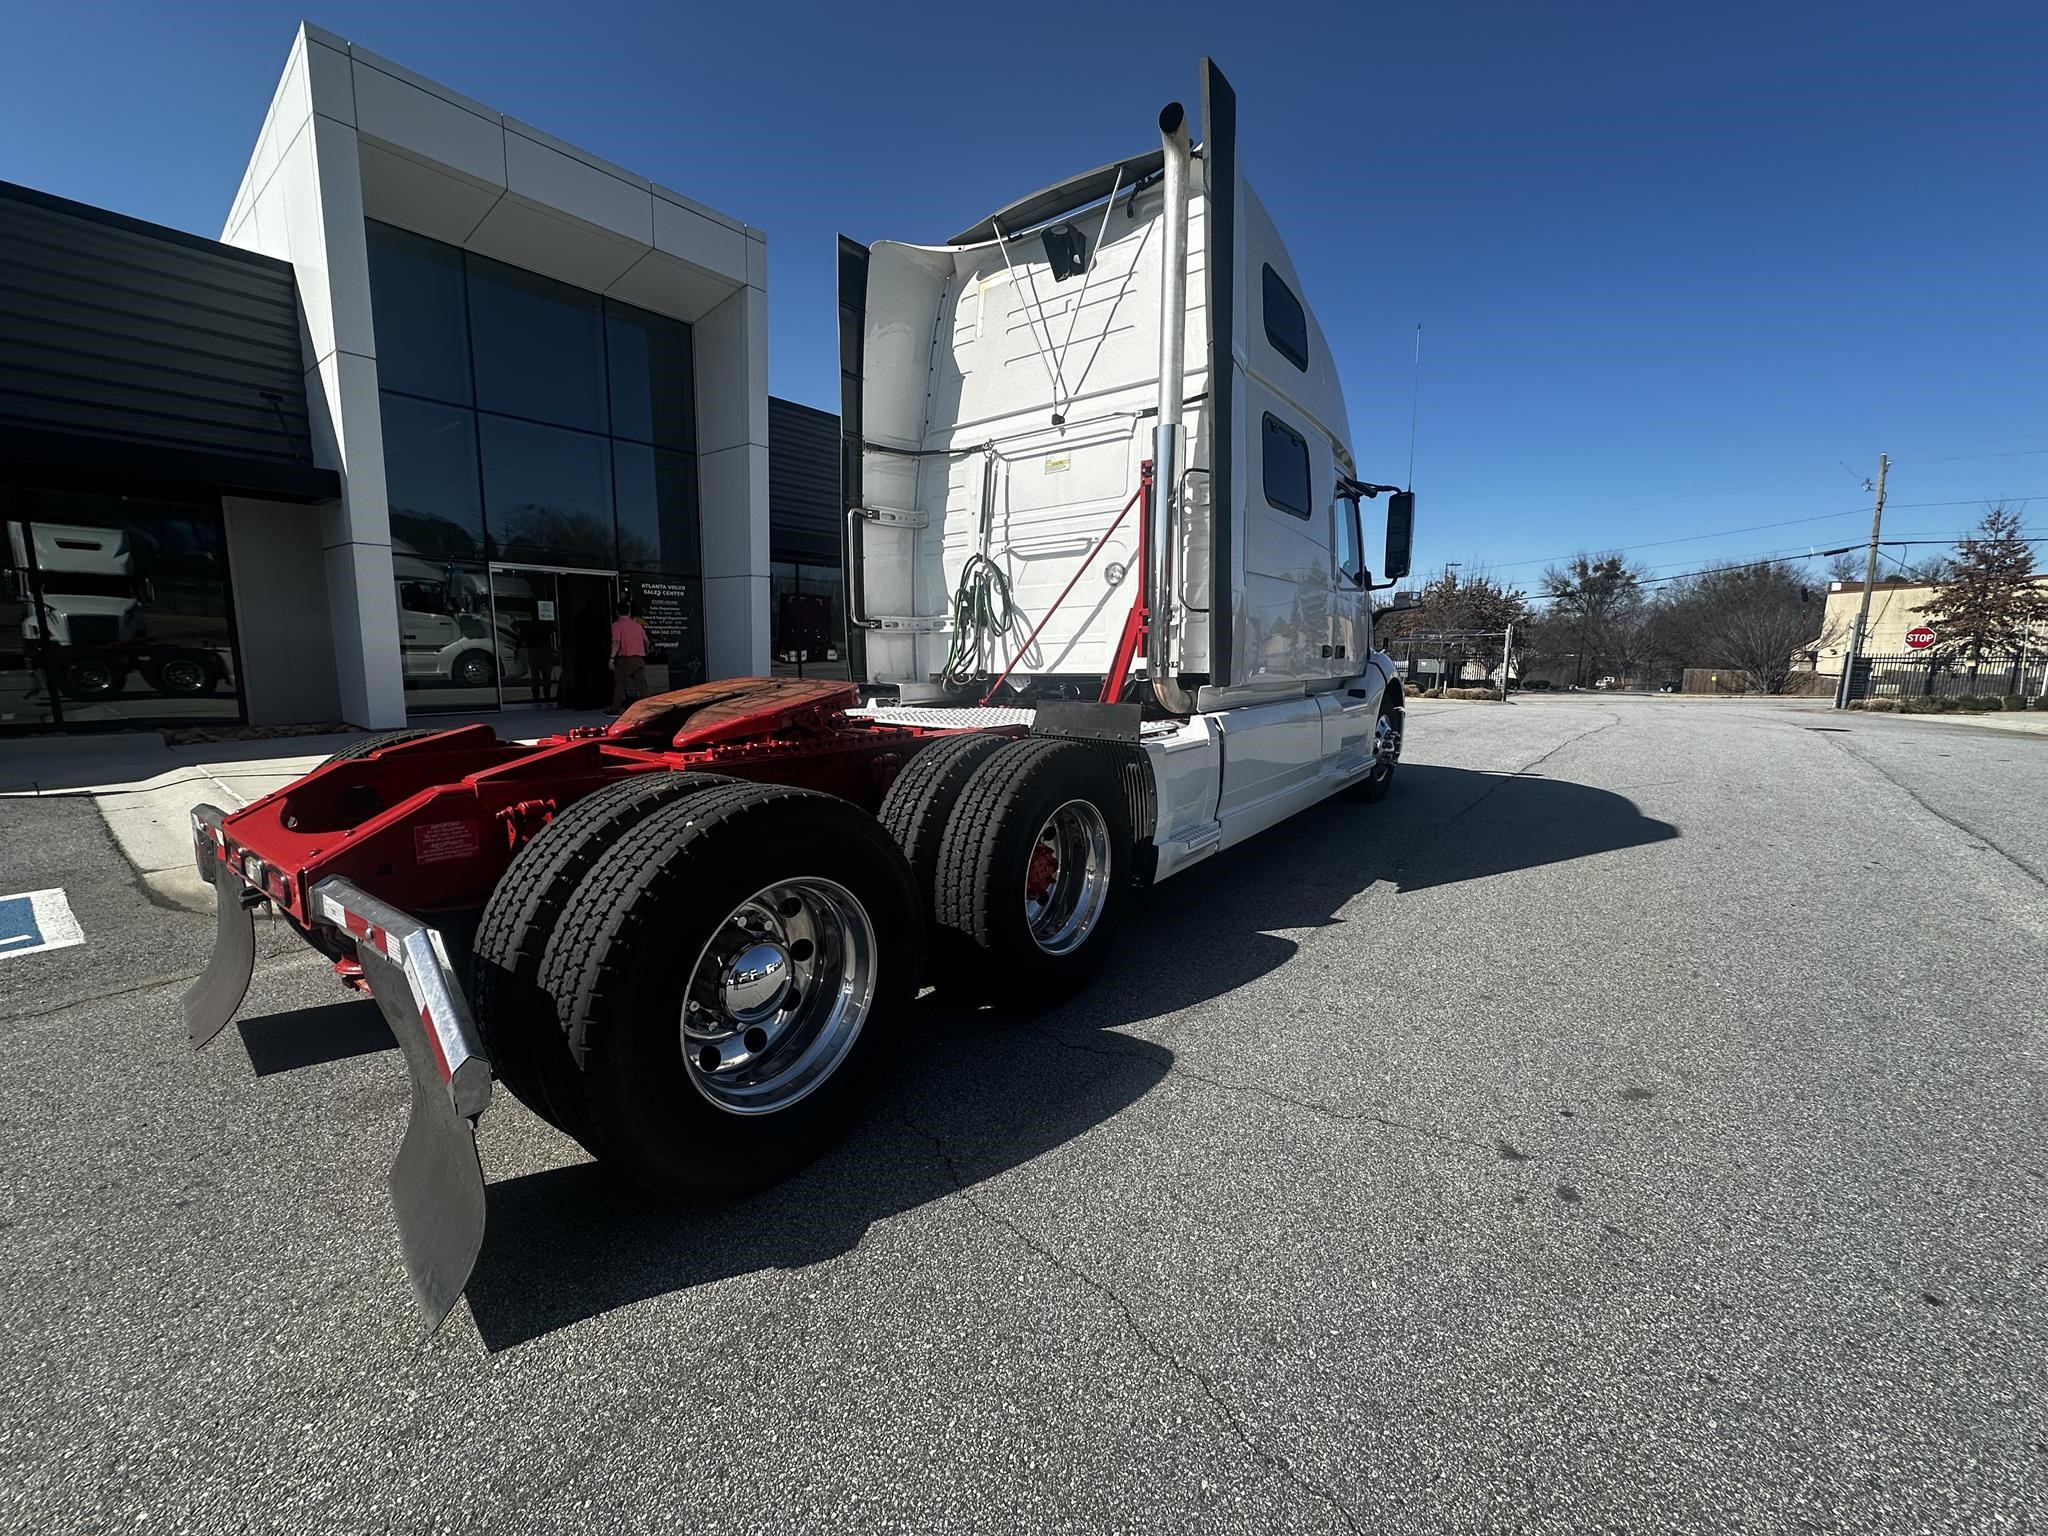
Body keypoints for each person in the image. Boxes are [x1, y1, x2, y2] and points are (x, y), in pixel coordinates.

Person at [609, 601, 649, 712]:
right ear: (629, 611)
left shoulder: (617, 625)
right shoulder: (637, 625)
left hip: (625, 658)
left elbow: (616, 641)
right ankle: (650, 707)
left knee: (620, 684)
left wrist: (612, 658)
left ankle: (615, 709)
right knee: (642, 684)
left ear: (617, 612)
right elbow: (646, 641)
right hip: (639, 658)